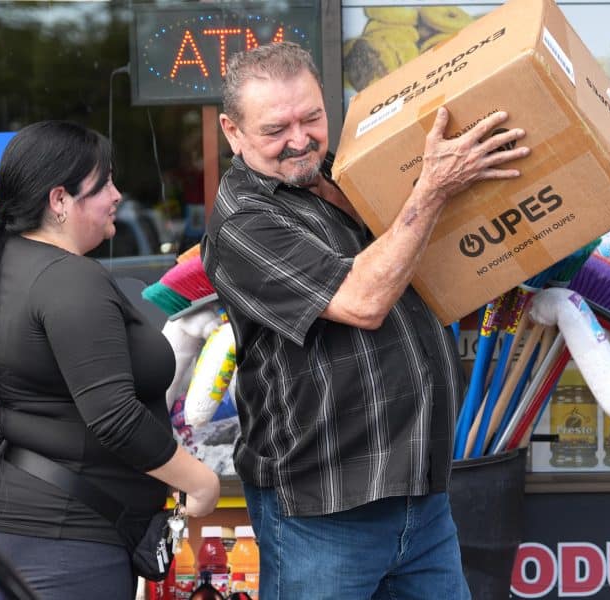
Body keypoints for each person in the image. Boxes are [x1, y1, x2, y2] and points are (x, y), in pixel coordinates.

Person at [201, 42, 528, 599]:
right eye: (276, 128)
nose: (300, 139)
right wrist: (432, 187)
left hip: (421, 498)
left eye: (312, 117)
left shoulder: (348, 171)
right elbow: (362, 301)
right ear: (233, 132)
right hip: (324, 514)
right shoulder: (242, 224)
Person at [0, 121, 220, 599]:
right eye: (104, 185)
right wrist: (200, 482)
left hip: (38, 530)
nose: (117, 196)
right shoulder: (70, 279)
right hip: (69, 544)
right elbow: (113, 417)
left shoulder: (10, 265)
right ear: (59, 201)